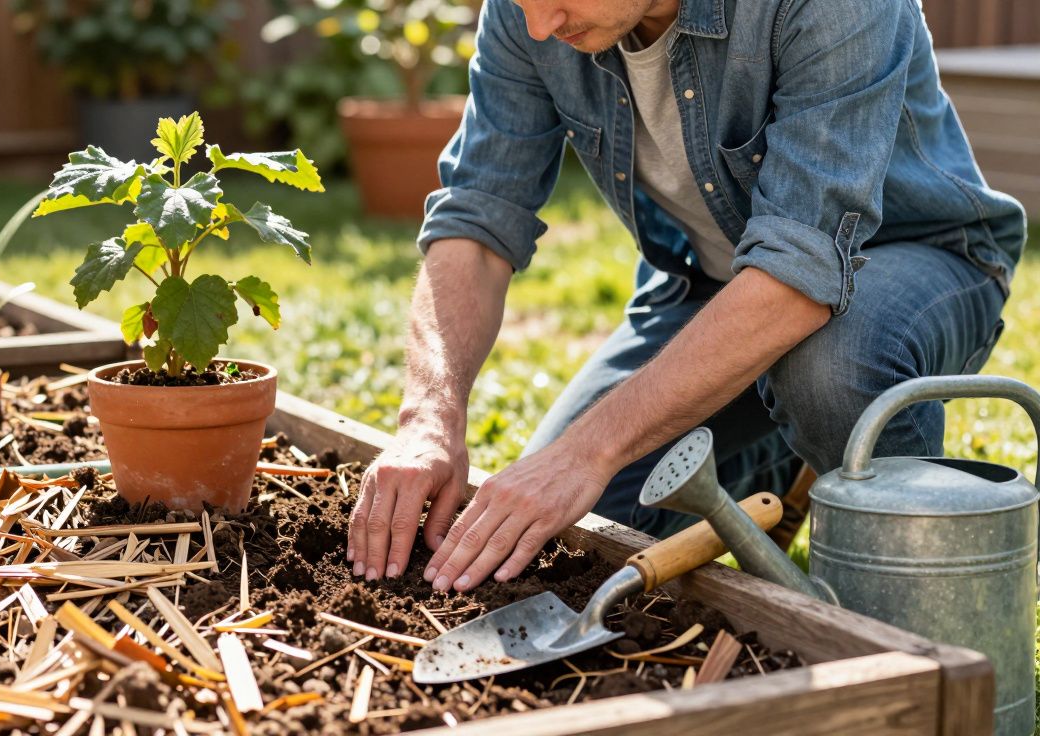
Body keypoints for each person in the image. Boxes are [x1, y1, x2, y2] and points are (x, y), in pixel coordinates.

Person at [345, 0, 1026, 594]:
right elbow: (479, 216)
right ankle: (779, 448)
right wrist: (429, 418)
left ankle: (913, 608)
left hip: (913, 256)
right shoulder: (532, 12)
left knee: (826, 373)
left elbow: (797, 280)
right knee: (584, 527)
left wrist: (587, 450)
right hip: (713, 283)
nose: (538, 26)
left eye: (556, 1)